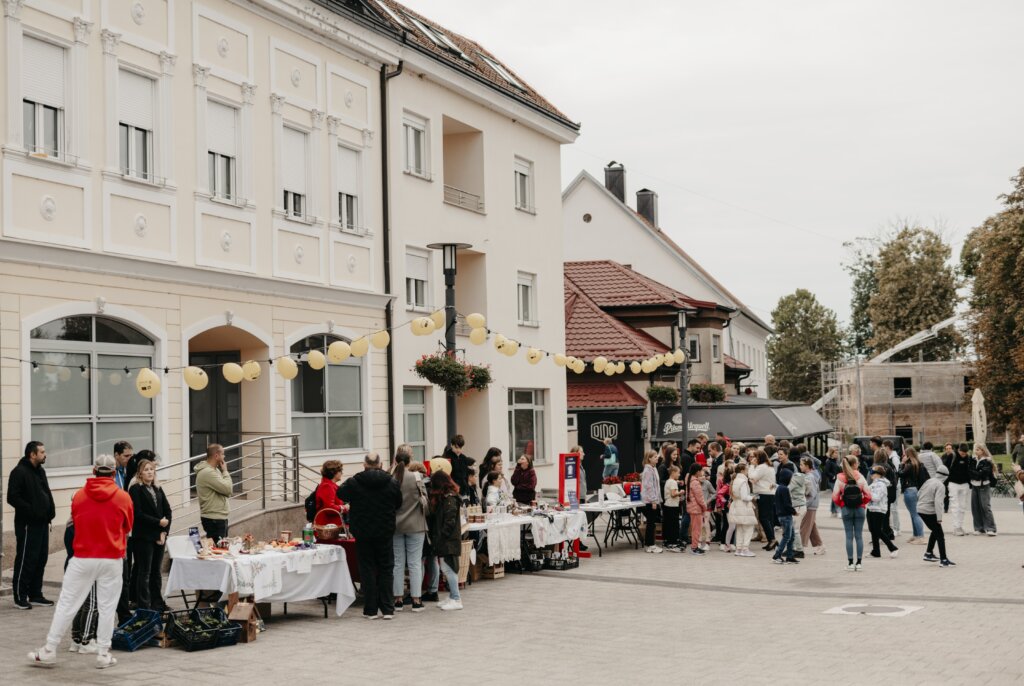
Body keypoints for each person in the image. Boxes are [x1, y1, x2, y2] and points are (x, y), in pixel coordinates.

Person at [28, 454, 133, 670]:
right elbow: (127, 528)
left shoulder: (79, 495)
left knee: (67, 603)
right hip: (111, 557)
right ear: (114, 473)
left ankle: (49, 649)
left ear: (94, 471)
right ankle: (103, 653)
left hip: (83, 557)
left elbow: (75, 521)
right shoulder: (123, 497)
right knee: (107, 607)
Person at [338, 452, 403, 619]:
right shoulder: (392, 482)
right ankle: (387, 609)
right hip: (385, 530)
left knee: (367, 568)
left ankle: (370, 610)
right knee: (386, 568)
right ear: (381, 464)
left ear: (364, 465)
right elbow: (398, 503)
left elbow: (340, 494)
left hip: (363, 532)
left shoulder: (354, 481)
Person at [8, 441, 56, 610]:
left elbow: (45, 493)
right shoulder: (19, 472)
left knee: (40, 559)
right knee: (26, 559)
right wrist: (32, 511)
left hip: (43, 522)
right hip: (28, 524)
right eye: (42, 452)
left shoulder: (40, 471)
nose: (45, 454)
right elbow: (12, 497)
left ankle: (35, 594)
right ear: (32, 454)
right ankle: (20, 596)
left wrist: (50, 511)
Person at [127, 458, 171, 611]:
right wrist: (158, 523)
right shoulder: (135, 489)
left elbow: (168, 511)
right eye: (146, 470)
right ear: (140, 473)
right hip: (143, 536)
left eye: (151, 469)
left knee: (156, 572)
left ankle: (157, 603)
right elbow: (138, 514)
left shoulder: (158, 488)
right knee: (144, 572)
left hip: (159, 536)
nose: (149, 472)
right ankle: (144, 606)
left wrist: (164, 532)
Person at [391, 445, 427, 613]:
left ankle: (398, 599)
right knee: (414, 563)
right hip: (416, 524)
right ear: (409, 461)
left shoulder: (391, 478)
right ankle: (416, 600)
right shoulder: (416, 477)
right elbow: (424, 498)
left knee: (398, 563)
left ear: (395, 460)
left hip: (396, 525)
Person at [427, 470, 464, 611]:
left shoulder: (450, 499)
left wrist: (441, 537)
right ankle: (452, 596)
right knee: (447, 568)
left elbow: (449, 522)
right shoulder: (448, 497)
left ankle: (456, 598)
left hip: (448, 541)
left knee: (449, 569)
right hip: (447, 540)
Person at [832, 455, 871, 571]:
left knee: (849, 536)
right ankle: (859, 563)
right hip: (859, 509)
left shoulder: (840, 478)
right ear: (854, 464)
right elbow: (868, 495)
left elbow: (835, 497)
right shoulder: (860, 477)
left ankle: (850, 563)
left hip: (846, 509)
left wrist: (842, 504)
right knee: (859, 536)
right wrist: (862, 502)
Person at [194, 444, 233, 542]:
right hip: (214, 519)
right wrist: (225, 471)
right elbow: (228, 489)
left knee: (222, 548)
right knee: (219, 549)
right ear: (216, 456)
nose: (224, 457)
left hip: (219, 517)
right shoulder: (208, 472)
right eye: (223, 454)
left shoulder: (215, 470)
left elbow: (226, 490)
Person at [917, 464, 955, 567]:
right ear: (945, 476)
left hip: (920, 508)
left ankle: (928, 553)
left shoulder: (929, 481)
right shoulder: (940, 485)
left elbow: (918, 493)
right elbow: (938, 502)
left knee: (935, 530)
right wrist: (939, 518)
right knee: (940, 535)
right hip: (929, 511)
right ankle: (944, 560)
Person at [867, 466, 899, 559]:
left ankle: (893, 548)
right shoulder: (873, 484)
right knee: (872, 530)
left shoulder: (881, 485)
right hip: (871, 508)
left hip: (879, 509)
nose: (871, 474)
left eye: (872, 472)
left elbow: (877, 498)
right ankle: (876, 551)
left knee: (877, 530)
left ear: (878, 474)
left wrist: (867, 493)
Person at [748, 450, 777, 551]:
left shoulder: (761, 467)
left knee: (763, 518)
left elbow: (752, 477)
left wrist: (752, 466)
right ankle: (772, 540)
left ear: (759, 458)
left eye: (755, 457)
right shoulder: (768, 466)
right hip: (769, 493)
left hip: (764, 493)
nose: (753, 459)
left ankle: (772, 539)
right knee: (769, 518)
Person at [900, 447, 929, 544]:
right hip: (917, 490)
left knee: (915, 514)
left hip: (910, 490)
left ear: (908, 455)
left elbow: (900, 474)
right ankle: (916, 535)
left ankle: (921, 537)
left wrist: (902, 464)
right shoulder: (919, 464)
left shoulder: (909, 465)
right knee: (914, 514)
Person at [729, 463, 757, 557]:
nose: (747, 471)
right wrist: (752, 497)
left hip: (736, 505)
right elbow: (744, 496)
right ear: (742, 471)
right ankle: (745, 549)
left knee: (740, 528)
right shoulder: (743, 481)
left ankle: (739, 549)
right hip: (744, 506)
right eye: (747, 470)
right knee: (748, 528)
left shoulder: (735, 480)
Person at [969, 444, 997, 536]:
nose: (976, 451)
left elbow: (984, 473)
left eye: (978, 449)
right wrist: (977, 473)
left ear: (983, 451)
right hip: (974, 485)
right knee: (975, 507)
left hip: (984, 486)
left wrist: (976, 473)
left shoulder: (987, 461)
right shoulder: (973, 460)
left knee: (985, 507)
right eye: (975, 449)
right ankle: (979, 528)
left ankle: (991, 528)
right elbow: (970, 471)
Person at [799, 457, 825, 555]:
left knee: (804, 527)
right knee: (811, 526)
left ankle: (799, 548)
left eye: (801, 465)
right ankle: (820, 546)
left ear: (807, 466)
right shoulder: (811, 475)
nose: (800, 466)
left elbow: (812, 493)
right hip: (811, 505)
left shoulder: (809, 477)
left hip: (810, 505)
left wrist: (804, 504)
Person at [772, 468, 798, 564]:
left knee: (791, 536)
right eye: (790, 478)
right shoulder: (784, 489)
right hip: (786, 515)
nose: (791, 480)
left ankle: (789, 556)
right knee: (787, 536)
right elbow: (787, 504)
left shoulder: (780, 488)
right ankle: (777, 555)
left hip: (782, 515)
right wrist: (794, 511)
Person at [639, 450, 662, 553]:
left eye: (657, 456)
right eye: (655, 457)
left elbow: (656, 486)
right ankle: (649, 545)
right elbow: (649, 487)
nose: (657, 458)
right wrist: (653, 500)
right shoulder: (648, 470)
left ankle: (651, 544)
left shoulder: (653, 468)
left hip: (653, 500)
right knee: (650, 523)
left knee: (651, 523)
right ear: (649, 459)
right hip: (649, 501)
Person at [947, 443, 971, 536]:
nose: (963, 455)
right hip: (953, 484)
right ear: (958, 450)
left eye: (965, 453)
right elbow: (945, 469)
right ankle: (956, 527)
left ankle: (960, 526)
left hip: (964, 484)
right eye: (962, 453)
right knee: (955, 506)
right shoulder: (952, 456)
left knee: (962, 506)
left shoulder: (968, 457)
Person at [683, 463, 706, 555]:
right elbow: (700, 498)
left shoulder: (690, 480)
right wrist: (704, 506)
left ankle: (694, 546)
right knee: (697, 529)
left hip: (692, 507)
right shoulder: (695, 482)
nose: (702, 472)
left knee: (694, 528)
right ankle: (694, 547)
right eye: (701, 470)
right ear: (697, 472)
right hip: (696, 508)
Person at [788, 452, 807, 558]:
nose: (800, 466)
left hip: (798, 506)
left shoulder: (795, 478)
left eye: (802, 464)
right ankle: (794, 548)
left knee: (795, 529)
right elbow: (808, 491)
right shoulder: (803, 477)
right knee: (794, 529)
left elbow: (788, 490)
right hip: (801, 505)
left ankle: (799, 550)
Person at [662, 466, 683, 551]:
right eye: (678, 473)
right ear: (673, 473)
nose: (679, 474)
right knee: (674, 525)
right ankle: (673, 543)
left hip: (667, 505)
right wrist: (680, 492)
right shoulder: (673, 482)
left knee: (668, 524)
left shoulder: (668, 481)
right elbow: (673, 494)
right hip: (673, 506)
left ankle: (668, 541)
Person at [823, 448, 841, 518]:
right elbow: (826, 471)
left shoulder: (836, 461)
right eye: (835, 453)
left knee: (835, 495)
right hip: (831, 481)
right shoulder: (829, 461)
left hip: (837, 481)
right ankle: (838, 511)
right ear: (831, 454)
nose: (837, 454)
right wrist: (833, 476)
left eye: (837, 453)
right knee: (837, 494)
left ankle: (833, 511)